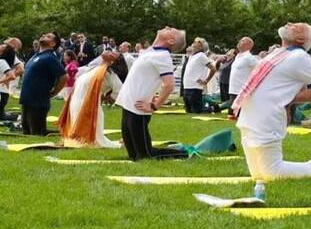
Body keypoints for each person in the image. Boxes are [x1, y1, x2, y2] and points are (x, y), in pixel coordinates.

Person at [234, 23, 311, 180]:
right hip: (249, 117)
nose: (289, 24)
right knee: (258, 175)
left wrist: (289, 98)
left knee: (272, 174)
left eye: (296, 25)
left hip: (266, 118)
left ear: (300, 38)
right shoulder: (278, 53)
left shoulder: (300, 56)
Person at [116, 27, 190, 160]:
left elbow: (169, 85)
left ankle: (184, 153)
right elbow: (155, 43)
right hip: (128, 105)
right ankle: (176, 151)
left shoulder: (163, 56)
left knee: (145, 156)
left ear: (171, 40)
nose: (168, 27)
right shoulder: (152, 51)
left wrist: (154, 106)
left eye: (171, 30)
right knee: (133, 155)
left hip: (138, 110)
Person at [58, 51, 124, 147]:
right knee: (77, 136)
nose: (110, 52)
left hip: (88, 104)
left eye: (114, 54)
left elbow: (119, 91)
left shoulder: (110, 73)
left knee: (94, 139)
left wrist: (107, 98)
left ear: (114, 61)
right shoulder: (93, 67)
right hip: (75, 101)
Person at [19, 32, 68, 136]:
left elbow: (64, 77)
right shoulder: (35, 56)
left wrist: (54, 93)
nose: (43, 36)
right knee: (26, 132)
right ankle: (65, 131)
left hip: (38, 101)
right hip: (26, 99)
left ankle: (67, 133)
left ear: (52, 44)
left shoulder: (50, 57)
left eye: (48, 37)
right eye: (44, 35)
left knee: (37, 133)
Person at [182, 38, 215, 113]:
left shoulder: (201, 56)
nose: (193, 44)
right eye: (194, 42)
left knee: (197, 110)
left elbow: (213, 69)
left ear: (201, 47)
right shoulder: (191, 56)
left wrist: (206, 80)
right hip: (187, 86)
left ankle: (212, 108)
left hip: (195, 87)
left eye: (196, 43)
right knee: (188, 110)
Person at [229, 37, 259, 113]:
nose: (239, 42)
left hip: (241, 90)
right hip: (233, 89)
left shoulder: (249, 58)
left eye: (242, 41)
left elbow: (260, 67)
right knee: (232, 113)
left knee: (238, 114)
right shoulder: (238, 57)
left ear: (248, 45)